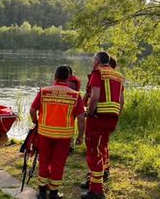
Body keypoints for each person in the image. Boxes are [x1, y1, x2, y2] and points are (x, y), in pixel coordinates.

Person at [30, 66, 85, 199]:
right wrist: (80, 136)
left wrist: (36, 122)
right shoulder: (75, 95)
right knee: (58, 163)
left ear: (55, 76)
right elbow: (81, 117)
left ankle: (42, 192)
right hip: (64, 136)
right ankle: (54, 193)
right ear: (67, 78)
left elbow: (32, 110)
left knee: (43, 160)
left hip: (45, 133)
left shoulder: (44, 92)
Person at [80, 52, 125, 199]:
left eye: (93, 59)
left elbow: (95, 96)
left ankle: (97, 191)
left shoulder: (97, 73)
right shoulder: (118, 76)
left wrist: (90, 113)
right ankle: (95, 181)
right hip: (111, 119)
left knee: (94, 152)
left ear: (98, 60)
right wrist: (116, 117)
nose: (92, 62)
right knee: (102, 147)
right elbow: (121, 101)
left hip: (97, 119)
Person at [65, 65, 81, 153]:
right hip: (73, 106)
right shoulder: (74, 80)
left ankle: (69, 145)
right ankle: (70, 144)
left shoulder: (71, 82)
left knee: (69, 126)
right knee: (70, 125)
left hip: (69, 107)